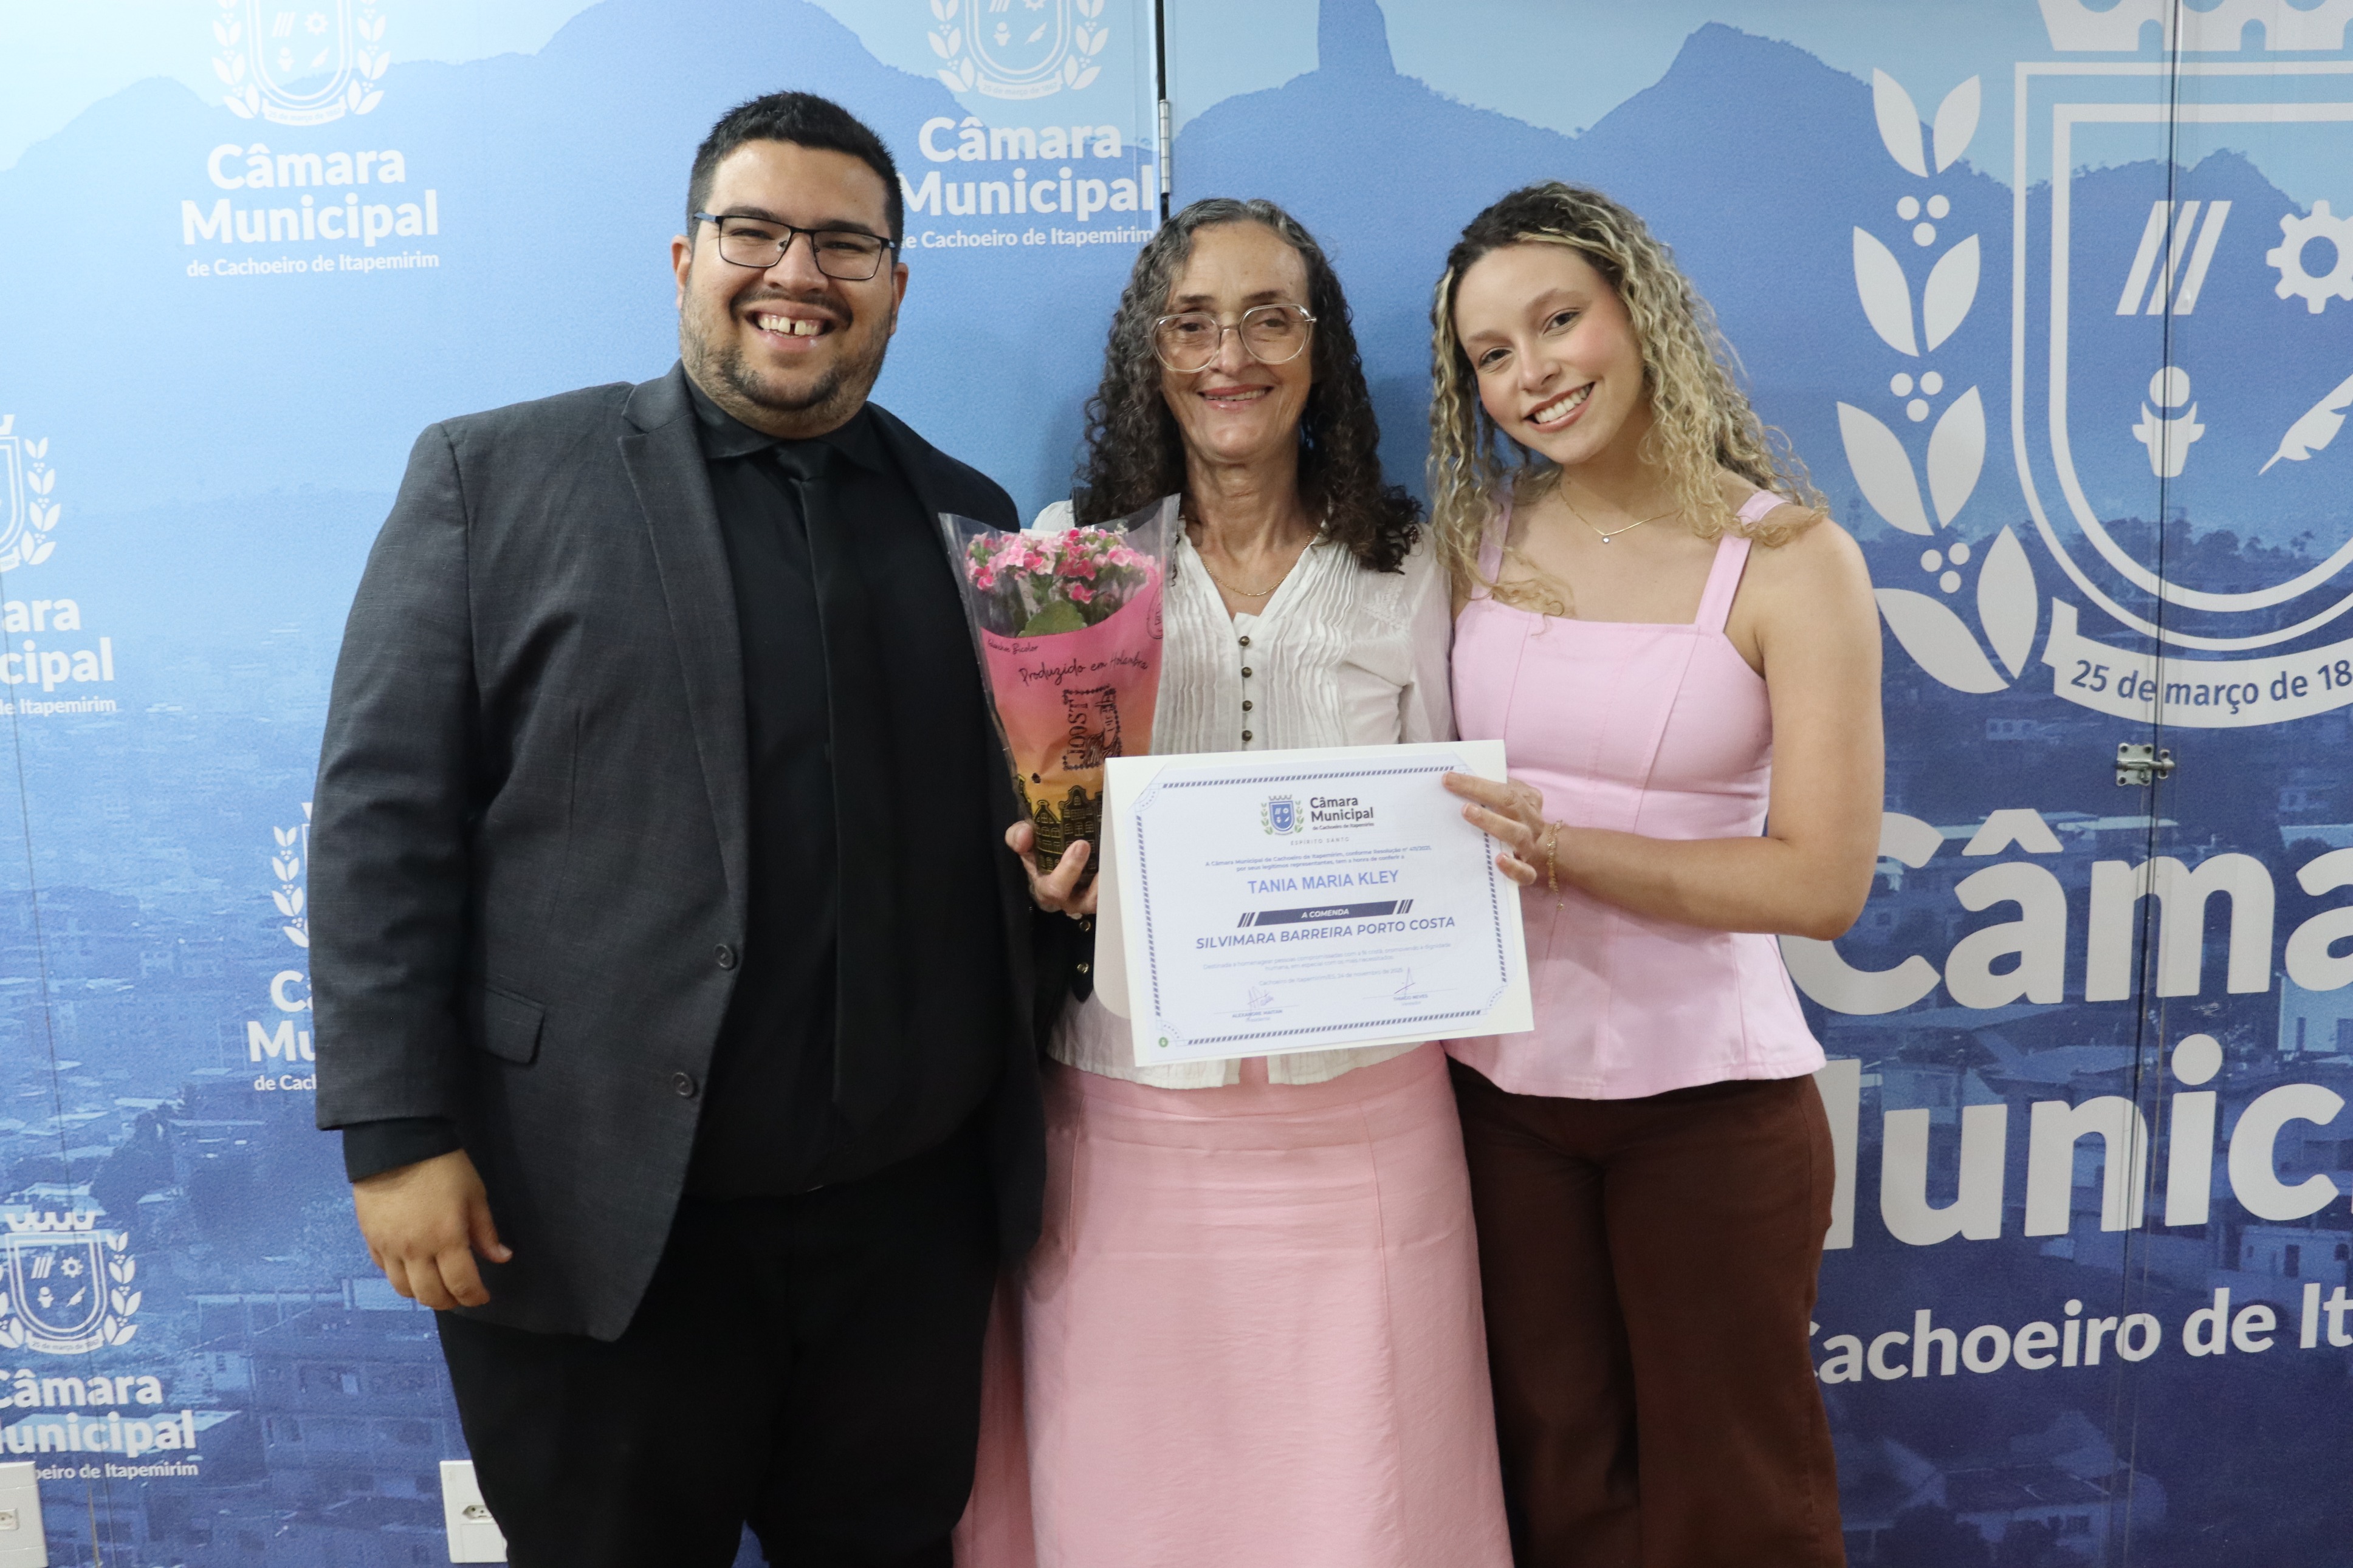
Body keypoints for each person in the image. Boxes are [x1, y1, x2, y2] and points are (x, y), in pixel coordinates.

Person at [310, 92, 1067, 1568]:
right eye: (755, 232)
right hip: (595, 1224)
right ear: (683, 259)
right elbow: (379, 822)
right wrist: (396, 1134)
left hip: (905, 1245)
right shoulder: (494, 480)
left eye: (844, 244)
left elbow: (1013, 844)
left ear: (896, 284)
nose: (798, 273)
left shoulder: (972, 524)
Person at [956, 198, 1511, 1568]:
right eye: (1193, 322)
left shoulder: (1408, 561)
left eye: (1271, 318)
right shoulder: (1071, 555)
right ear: (1149, 352)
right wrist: (1048, 876)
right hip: (1128, 1114)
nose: (1231, 355)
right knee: (1137, 1493)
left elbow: (1451, 814)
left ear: (1320, 349)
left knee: (1368, 1494)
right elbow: (1030, 798)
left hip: (1365, 1118)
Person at [1428, 182, 1881, 1567]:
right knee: (1557, 1484)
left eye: (1557, 320)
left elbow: (1821, 884)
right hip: (1498, 1098)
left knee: (1735, 1501)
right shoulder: (1470, 544)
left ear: (1639, 313)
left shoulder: (1792, 560)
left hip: (1711, 1105)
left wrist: (1568, 851)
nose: (1532, 372)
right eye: (1491, 354)